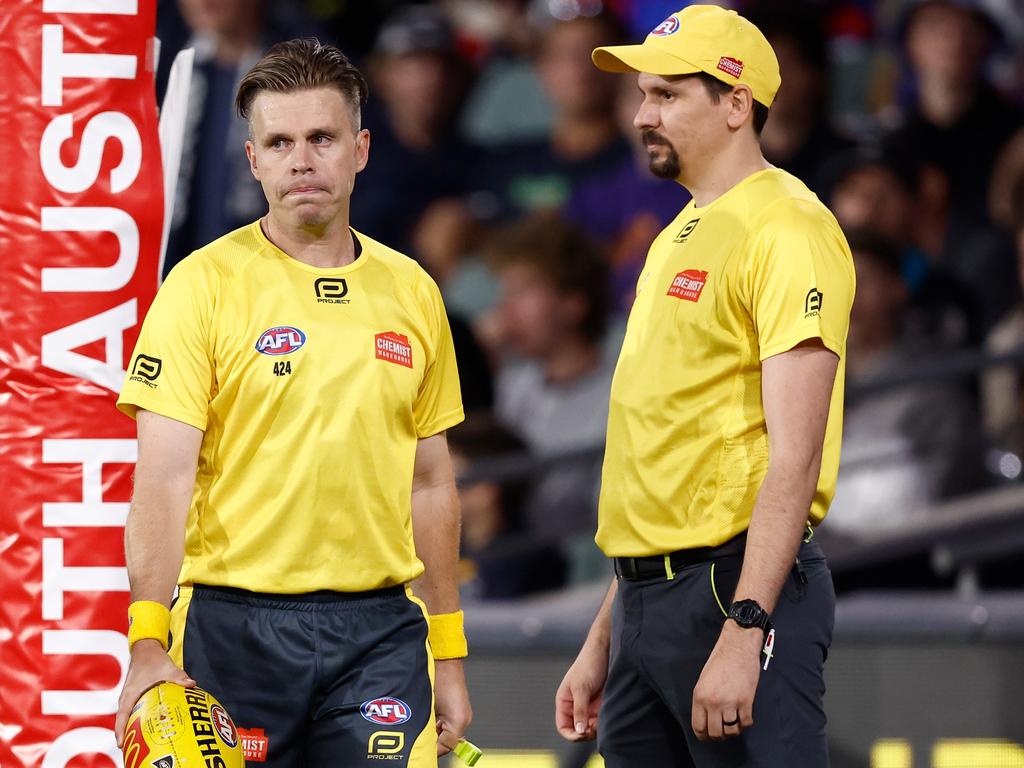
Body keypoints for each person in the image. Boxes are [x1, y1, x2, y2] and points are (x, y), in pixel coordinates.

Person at [113, 39, 471, 766]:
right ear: (253, 161)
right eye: (278, 142)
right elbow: (163, 477)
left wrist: (450, 654)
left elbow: (430, 483)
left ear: (361, 148)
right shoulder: (201, 286)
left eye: (321, 138)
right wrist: (147, 643)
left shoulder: (413, 293)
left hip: (380, 632)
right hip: (232, 626)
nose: (301, 160)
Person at [554, 6, 855, 767]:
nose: (641, 115)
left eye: (665, 96)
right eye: (642, 96)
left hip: (732, 588)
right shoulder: (678, 232)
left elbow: (796, 454)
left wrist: (748, 624)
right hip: (646, 600)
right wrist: (604, 636)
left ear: (734, 103)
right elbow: (664, 456)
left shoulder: (788, 228)